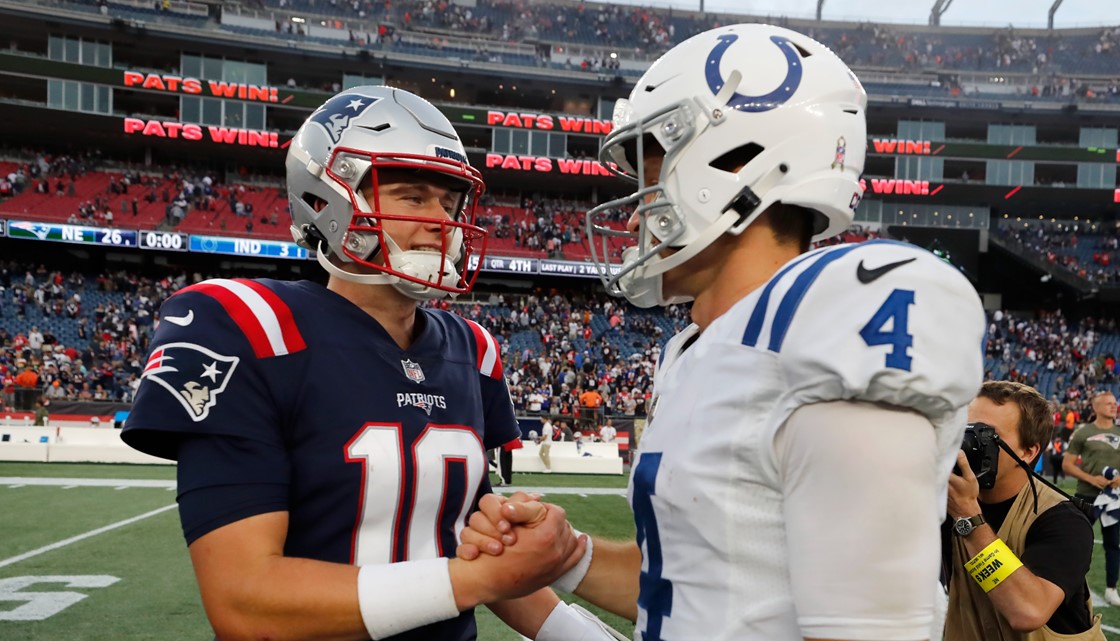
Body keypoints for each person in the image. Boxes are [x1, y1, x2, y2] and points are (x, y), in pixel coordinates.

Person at [458, 23, 986, 641]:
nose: (636, 209)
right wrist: (569, 555)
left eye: (651, 176)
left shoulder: (830, 318)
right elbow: (693, 590)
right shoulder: (699, 349)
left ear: (735, 164)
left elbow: (866, 630)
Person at [122, 86, 617, 641]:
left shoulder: (474, 351)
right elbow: (244, 601)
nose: (441, 221)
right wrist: (469, 582)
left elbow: (472, 543)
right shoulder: (248, 326)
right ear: (328, 199)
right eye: (412, 197)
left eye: (449, 203)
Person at [943, 381, 1104, 640]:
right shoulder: (944, 499)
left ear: (1029, 451)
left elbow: (1027, 612)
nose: (967, 444)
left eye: (985, 435)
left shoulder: (1063, 519)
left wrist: (968, 518)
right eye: (965, 431)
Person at [1063, 391, 1120, 607]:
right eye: (1109, 403)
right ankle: (1066, 586)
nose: (1114, 406)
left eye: (1115, 403)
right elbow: (1067, 464)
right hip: (1086, 495)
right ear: (1095, 407)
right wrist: (1090, 479)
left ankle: (1111, 589)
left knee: (1113, 543)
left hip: (1113, 498)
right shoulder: (1083, 432)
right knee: (1077, 542)